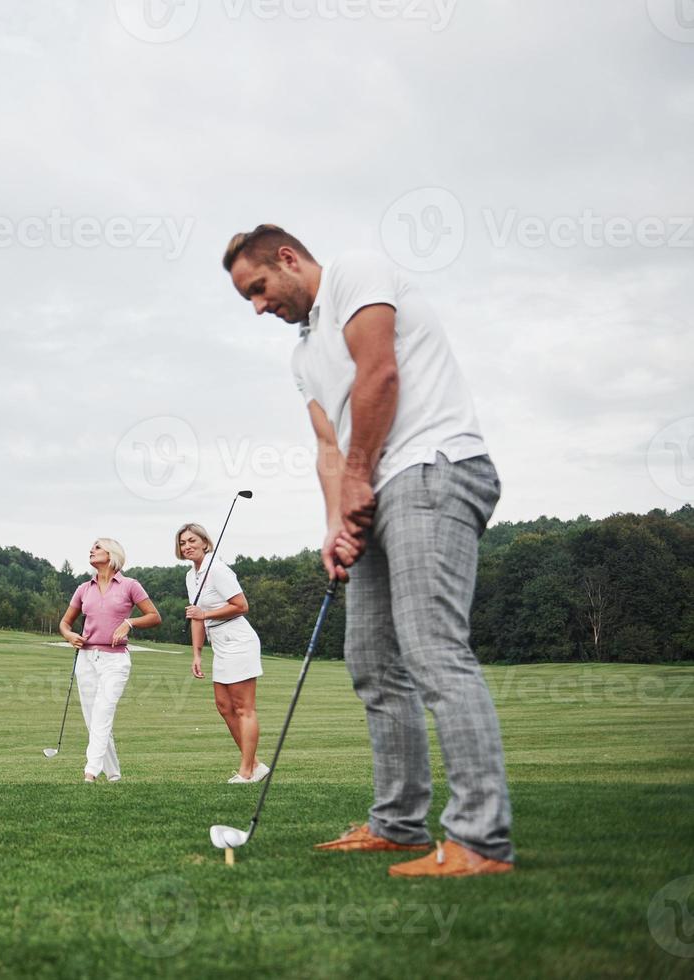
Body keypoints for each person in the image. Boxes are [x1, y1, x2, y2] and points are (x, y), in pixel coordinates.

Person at [222, 224, 514, 878]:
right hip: (377, 488)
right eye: (248, 299)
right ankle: (399, 823)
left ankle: (480, 841)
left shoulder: (355, 271)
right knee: (371, 661)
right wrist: (335, 523)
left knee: (431, 648)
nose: (259, 307)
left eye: (260, 289)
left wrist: (358, 477)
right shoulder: (301, 356)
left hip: (434, 468)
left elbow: (379, 375)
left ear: (288, 259)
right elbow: (328, 446)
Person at [58, 539, 161, 783]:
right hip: (86, 659)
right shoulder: (84, 589)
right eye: (91, 548)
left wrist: (129, 623)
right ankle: (113, 775)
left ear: (111, 554)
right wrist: (70, 635)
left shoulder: (130, 585)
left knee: (102, 713)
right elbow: (64, 623)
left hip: (115, 661)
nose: (91, 550)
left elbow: (154, 616)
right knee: (93, 719)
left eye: (97, 547)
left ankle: (90, 772)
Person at [176, 523, 266, 784]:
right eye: (183, 543)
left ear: (205, 542)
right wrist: (196, 654)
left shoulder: (217, 568)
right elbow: (196, 617)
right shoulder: (190, 575)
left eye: (192, 540)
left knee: (243, 708)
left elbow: (241, 605)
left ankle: (247, 771)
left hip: (239, 640)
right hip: (220, 644)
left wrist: (205, 614)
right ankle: (256, 764)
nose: (187, 546)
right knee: (224, 706)